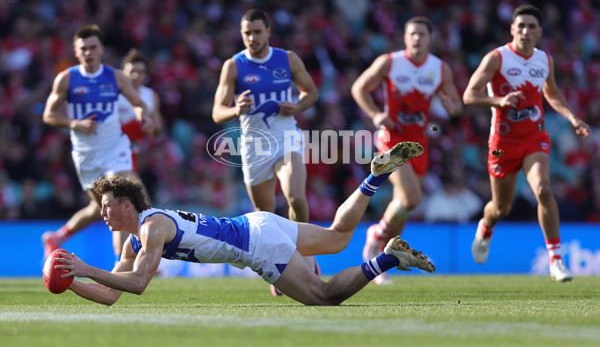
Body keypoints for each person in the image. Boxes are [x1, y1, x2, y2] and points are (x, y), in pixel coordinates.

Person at [52, 142, 435, 306]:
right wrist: (73, 282)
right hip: (257, 223)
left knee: (324, 296)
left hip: (256, 245)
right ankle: (374, 179)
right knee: (337, 239)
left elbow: (136, 285)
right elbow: (111, 294)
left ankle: (387, 259)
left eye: (105, 207)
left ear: (126, 205)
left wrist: (84, 267)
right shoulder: (136, 240)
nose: (101, 215)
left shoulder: (151, 229)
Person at [462, 4, 591, 282]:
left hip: (535, 138)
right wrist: (498, 100)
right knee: (501, 208)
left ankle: (556, 260)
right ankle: (485, 227)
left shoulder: (545, 60)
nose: (525, 31)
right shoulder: (496, 58)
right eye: (520, 26)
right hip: (502, 142)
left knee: (544, 189)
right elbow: (469, 96)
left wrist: (572, 117)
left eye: (532, 26)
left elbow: (552, 92)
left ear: (540, 32)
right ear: (512, 29)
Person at [212, 8, 319, 296]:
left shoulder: (288, 59)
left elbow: (310, 91)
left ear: (268, 32)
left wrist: (296, 107)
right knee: (265, 213)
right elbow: (217, 112)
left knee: (295, 196)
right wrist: (236, 108)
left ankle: (306, 256)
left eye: (257, 32)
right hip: (253, 145)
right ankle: (280, 271)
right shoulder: (233, 66)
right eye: (247, 33)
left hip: (286, 138)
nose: (252, 37)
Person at [351, 16, 462, 284]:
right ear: (404, 37)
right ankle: (377, 238)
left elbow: (457, 106)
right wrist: (376, 114)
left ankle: (381, 257)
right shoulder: (389, 62)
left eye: (422, 34)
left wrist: (451, 106)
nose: (417, 38)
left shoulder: (439, 68)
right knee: (411, 198)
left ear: (430, 38)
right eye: (412, 34)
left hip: (419, 142)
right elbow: (359, 88)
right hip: (391, 138)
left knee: (403, 204)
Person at [41, 24, 155, 261]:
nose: (89, 53)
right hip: (87, 156)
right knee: (101, 209)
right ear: (76, 51)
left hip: (115, 148)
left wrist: (143, 114)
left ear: (101, 49)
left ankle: (125, 265)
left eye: (93, 47)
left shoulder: (115, 77)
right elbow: (49, 115)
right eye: (83, 48)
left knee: (123, 200)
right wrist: (75, 123)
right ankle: (57, 237)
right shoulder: (67, 79)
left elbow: (137, 102)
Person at [115, 48, 163, 257]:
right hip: (113, 157)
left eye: (141, 72)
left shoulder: (150, 96)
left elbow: (158, 126)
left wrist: (151, 124)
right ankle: (129, 260)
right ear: (122, 72)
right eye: (132, 71)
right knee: (137, 205)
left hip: (133, 156)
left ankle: (59, 236)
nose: (136, 76)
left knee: (124, 209)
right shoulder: (114, 94)